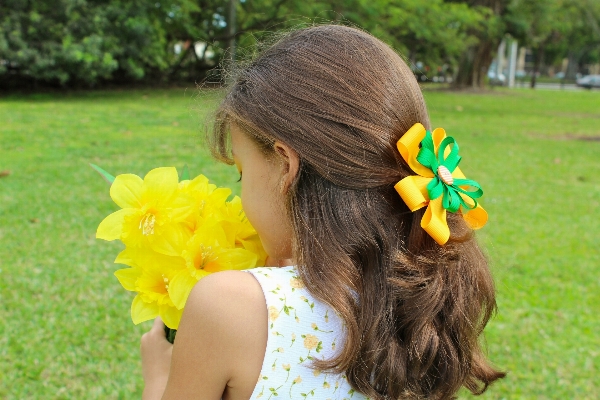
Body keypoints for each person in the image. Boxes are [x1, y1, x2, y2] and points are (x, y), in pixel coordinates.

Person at [140, 25, 505, 400]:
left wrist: (158, 377)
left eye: (242, 174)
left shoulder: (228, 306)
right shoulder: (423, 293)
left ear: (286, 166)